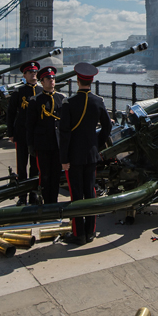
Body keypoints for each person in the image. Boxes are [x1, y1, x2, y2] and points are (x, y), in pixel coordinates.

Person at [59, 63, 112, 245]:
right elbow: (107, 126)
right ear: (92, 80)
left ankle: (78, 234)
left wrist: (64, 159)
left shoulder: (69, 103)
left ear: (77, 80)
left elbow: (64, 134)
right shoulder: (98, 101)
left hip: (73, 157)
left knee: (76, 195)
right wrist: (97, 145)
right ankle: (90, 232)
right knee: (90, 193)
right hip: (91, 155)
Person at [26, 66, 65, 206]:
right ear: (42, 82)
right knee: (45, 174)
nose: (51, 81)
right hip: (42, 143)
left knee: (55, 175)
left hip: (57, 143)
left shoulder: (61, 98)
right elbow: (30, 125)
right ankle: (44, 201)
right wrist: (30, 144)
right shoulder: (36, 100)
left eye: (53, 78)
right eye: (48, 79)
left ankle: (52, 202)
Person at [7, 61, 41, 204]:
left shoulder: (41, 91)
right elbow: (10, 113)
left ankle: (33, 195)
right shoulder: (19, 92)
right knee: (22, 166)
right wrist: (10, 132)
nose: (33, 74)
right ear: (24, 75)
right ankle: (22, 196)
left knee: (35, 167)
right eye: (30, 72)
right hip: (21, 133)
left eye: (35, 72)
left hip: (37, 134)